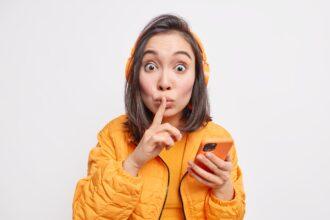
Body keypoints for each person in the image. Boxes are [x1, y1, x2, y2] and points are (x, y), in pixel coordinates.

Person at [72, 13, 246, 220]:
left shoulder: (217, 138)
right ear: (134, 75)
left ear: (199, 77)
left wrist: (223, 189)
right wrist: (134, 162)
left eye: (180, 67)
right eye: (151, 67)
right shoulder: (113, 135)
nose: (164, 82)